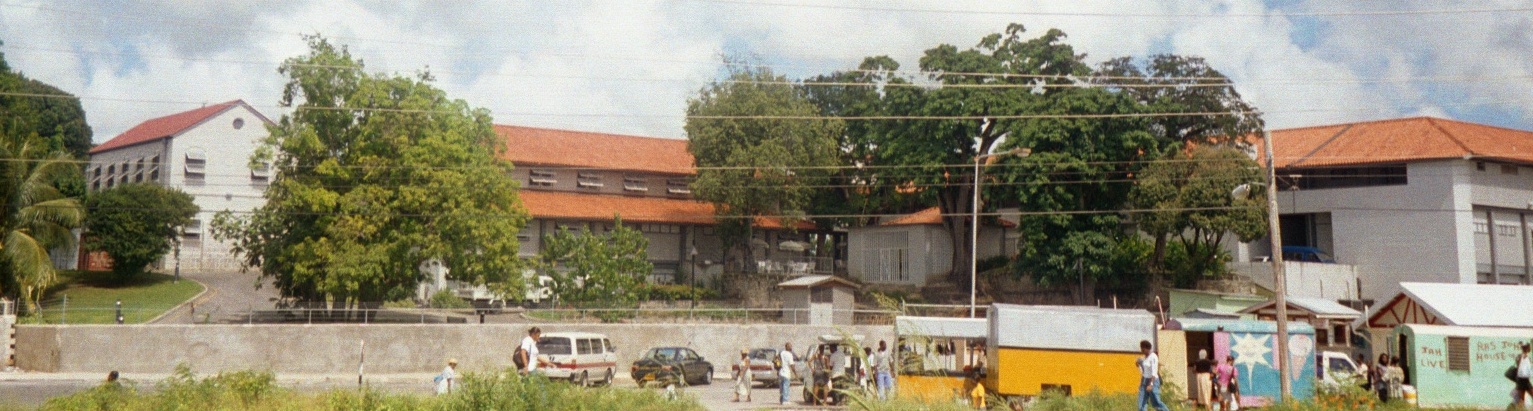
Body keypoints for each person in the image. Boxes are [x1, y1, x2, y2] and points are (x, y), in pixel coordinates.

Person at [1136, 340, 1170, 411]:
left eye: (1143, 348)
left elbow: (1154, 372)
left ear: (1147, 348)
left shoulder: (1153, 357)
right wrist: (1139, 364)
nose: (1141, 350)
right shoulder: (1144, 358)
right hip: (1144, 381)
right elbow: (1143, 371)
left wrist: (1151, 384)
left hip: (1153, 381)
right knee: (1141, 402)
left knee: (1156, 402)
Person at [1516, 343, 1532, 409]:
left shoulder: (1521, 356)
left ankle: (1520, 409)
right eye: (1528, 347)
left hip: (1521, 379)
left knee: (1522, 398)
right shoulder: (1523, 356)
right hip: (1524, 379)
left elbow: (1519, 365)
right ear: (1526, 348)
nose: (1530, 349)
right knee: (1523, 397)